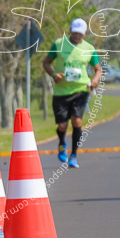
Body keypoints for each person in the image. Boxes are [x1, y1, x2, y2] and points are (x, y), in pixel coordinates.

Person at [42, 18, 102, 169]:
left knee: (77, 122)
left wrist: (94, 81)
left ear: (84, 34)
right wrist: (54, 74)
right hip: (61, 91)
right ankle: (62, 143)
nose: (77, 36)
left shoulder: (89, 49)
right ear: (70, 30)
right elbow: (46, 62)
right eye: (74, 32)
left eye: (80, 33)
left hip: (80, 90)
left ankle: (74, 155)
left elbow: (98, 70)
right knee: (62, 125)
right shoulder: (58, 44)